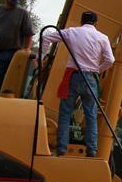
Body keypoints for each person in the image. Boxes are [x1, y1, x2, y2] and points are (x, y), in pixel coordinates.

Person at [42, 10, 115, 157]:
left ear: (81, 21)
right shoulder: (102, 37)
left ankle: (61, 149)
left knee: (65, 113)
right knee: (91, 115)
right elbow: (110, 60)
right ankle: (92, 150)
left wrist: (41, 57)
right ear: (96, 23)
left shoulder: (72, 32)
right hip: (90, 78)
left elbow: (46, 37)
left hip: (73, 76)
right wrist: (98, 70)